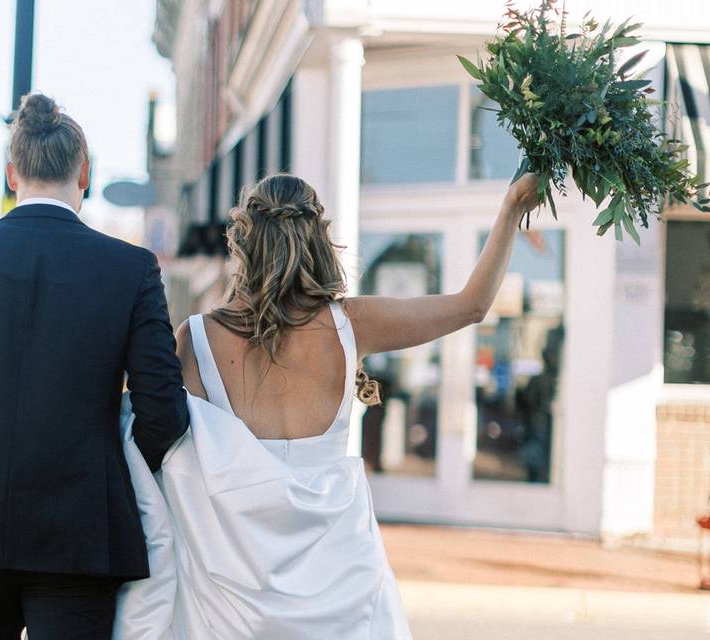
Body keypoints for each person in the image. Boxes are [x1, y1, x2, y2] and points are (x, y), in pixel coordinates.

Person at [115, 171, 539, 638]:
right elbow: (471, 306)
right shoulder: (351, 326)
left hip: (230, 578)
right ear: (318, 238)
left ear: (243, 243)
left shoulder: (195, 339)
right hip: (337, 573)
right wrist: (512, 208)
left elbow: (160, 438)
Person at [0, 94, 188, 639]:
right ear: (85, 173)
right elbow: (163, 410)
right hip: (82, 530)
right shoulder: (131, 269)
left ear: (11, 172)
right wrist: (112, 481)